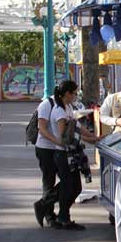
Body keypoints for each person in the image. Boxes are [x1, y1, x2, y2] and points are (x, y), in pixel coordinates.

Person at [50, 80, 98, 230]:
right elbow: (66, 136)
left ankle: (63, 215)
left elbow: (77, 126)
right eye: (75, 93)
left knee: (75, 187)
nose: (76, 96)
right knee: (69, 186)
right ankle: (63, 217)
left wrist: (93, 137)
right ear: (67, 94)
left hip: (70, 154)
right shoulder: (59, 112)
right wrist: (91, 139)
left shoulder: (68, 107)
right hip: (63, 154)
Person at [33, 93, 61, 229]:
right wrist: (58, 141)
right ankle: (48, 214)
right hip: (46, 148)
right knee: (49, 181)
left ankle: (46, 207)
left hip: (59, 149)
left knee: (69, 181)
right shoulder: (46, 105)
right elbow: (42, 129)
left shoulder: (65, 105)